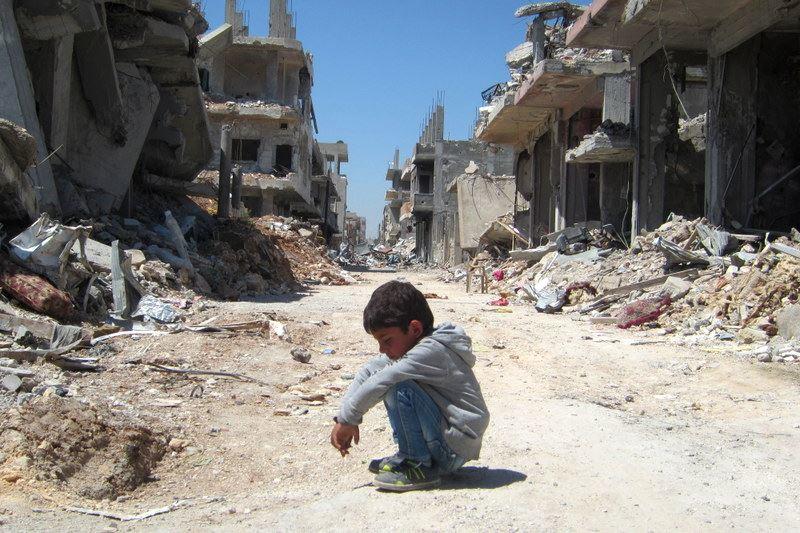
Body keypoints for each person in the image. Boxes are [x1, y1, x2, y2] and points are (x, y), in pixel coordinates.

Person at [329, 280, 489, 492]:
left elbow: (383, 379)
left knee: (399, 385)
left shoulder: (431, 350)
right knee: (389, 376)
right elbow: (370, 371)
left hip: (455, 447)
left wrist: (350, 418)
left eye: (387, 340)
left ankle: (418, 463)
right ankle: (412, 455)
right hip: (449, 440)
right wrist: (344, 417)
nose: (382, 349)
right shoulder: (414, 349)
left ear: (414, 328)